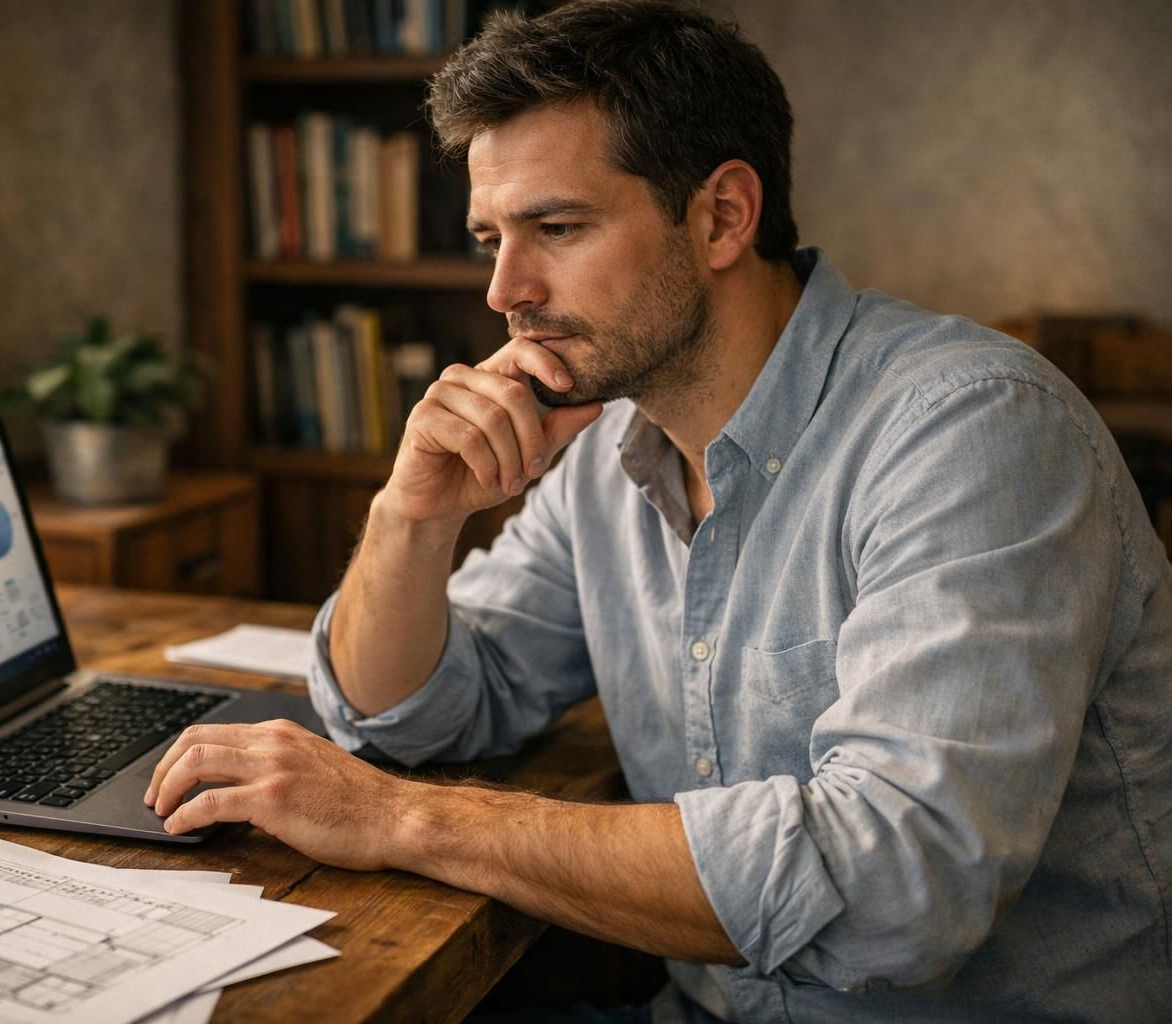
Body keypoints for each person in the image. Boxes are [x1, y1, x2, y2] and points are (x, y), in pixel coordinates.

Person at [146, 1, 1172, 1020]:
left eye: (556, 227)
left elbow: (900, 882)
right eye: (489, 237)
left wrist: (404, 821)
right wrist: (412, 515)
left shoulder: (973, 429)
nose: (505, 289)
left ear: (723, 215)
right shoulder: (609, 451)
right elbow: (417, 708)